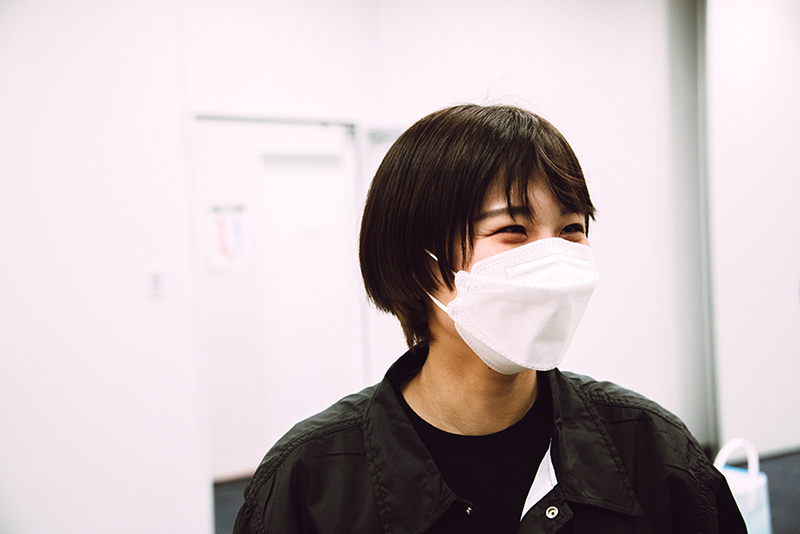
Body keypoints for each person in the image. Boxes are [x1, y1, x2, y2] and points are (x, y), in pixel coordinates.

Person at [233, 104, 745, 533]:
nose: (553, 260)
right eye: (513, 230)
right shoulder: (311, 482)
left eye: (571, 229)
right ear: (420, 264)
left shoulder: (653, 451)